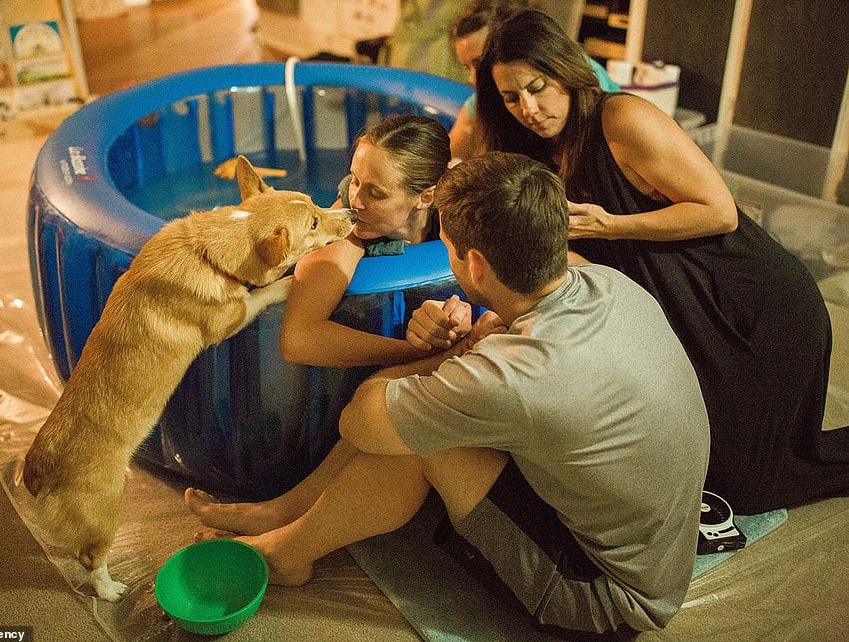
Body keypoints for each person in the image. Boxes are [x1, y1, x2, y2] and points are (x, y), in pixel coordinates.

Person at [187, 153, 710, 637]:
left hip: (602, 597)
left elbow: (360, 421)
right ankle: (283, 513)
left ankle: (285, 552)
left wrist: (443, 359)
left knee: (416, 436)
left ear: (475, 265)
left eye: (450, 250)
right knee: (423, 415)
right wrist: (484, 332)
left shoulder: (516, 379)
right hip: (653, 548)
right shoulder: (609, 285)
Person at [475, 8, 849, 514]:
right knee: (701, 468)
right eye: (511, 97)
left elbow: (720, 212)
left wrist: (611, 224)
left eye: (537, 86)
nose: (528, 107)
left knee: (748, 485)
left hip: (754, 306)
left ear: (564, 70)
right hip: (685, 312)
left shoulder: (622, 118)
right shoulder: (543, 148)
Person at [279, 113, 466, 368]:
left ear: (426, 197)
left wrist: (461, 316)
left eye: (376, 193)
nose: (355, 201)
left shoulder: (458, 213)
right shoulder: (344, 228)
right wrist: (415, 353)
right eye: (355, 180)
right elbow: (298, 339)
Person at [448, 0, 619, 161]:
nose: (473, 78)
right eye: (467, 67)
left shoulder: (584, 85)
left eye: (481, 62)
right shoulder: (489, 99)